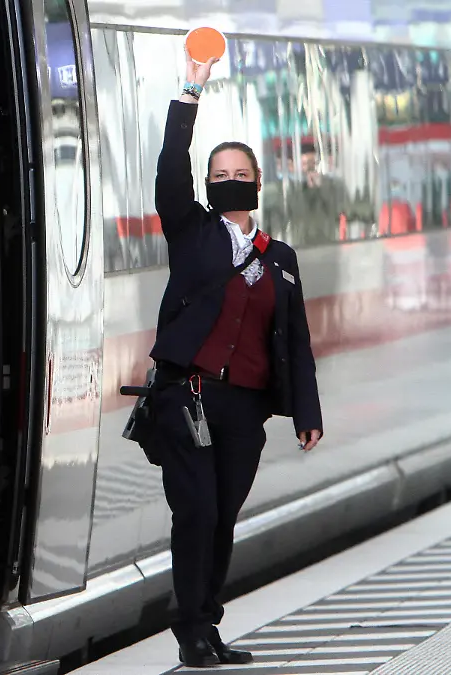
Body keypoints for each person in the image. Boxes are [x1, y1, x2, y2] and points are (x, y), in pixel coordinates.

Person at [147, 50, 323, 667]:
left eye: (236, 171)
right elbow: (171, 170)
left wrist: (306, 411)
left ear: (254, 180)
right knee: (195, 510)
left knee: (221, 517)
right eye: (216, 172)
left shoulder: (280, 258)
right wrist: (188, 94)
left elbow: (294, 341)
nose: (225, 178)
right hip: (187, 399)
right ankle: (190, 630)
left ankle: (209, 625)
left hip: (244, 408)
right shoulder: (190, 231)